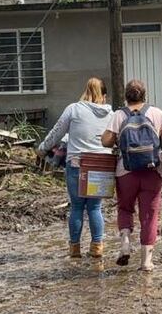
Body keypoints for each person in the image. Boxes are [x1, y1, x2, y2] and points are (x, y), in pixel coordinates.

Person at [101, 80, 162, 272]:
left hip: (126, 171)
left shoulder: (119, 115)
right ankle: (146, 262)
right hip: (153, 171)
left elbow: (105, 141)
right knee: (149, 215)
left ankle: (125, 244)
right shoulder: (156, 113)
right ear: (145, 95)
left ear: (126, 96)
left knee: (125, 208)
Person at [37, 77, 113, 260]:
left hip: (77, 165)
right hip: (102, 166)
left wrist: (42, 148)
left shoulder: (74, 109)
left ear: (85, 91)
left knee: (77, 207)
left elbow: (57, 132)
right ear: (104, 95)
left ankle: (75, 249)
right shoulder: (112, 114)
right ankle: (97, 247)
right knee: (95, 208)